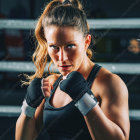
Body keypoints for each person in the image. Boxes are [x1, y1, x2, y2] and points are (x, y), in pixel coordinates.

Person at [15, 0, 130, 140]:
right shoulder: (51, 84)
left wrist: (84, 99)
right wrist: (28, 107)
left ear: (86, 42)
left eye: (70, 46)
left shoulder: (108, 83)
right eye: (54, 47)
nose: (62, 58)